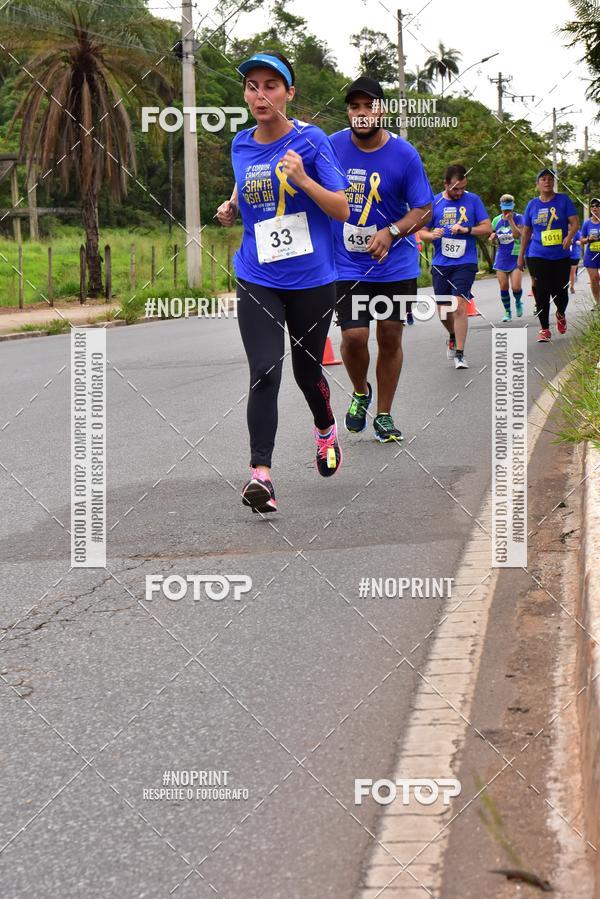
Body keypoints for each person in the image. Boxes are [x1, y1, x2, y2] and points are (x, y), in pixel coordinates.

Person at [216, 50, 350, 513]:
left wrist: (303, 181)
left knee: (306, 372)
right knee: (265, 369)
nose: (260, 94)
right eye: (252, 86)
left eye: (271, 85)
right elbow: (246, 178)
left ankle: (325, 427)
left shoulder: (311, 142)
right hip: (257, 275)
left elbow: (341, 207)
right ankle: (261, 476)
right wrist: (233, 203)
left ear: (289, 93)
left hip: (312, 279)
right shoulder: (240, 143)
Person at [329, 76, 433, 441]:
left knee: (389, 335)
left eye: (368, 106)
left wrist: (391, 231)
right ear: (348, 112)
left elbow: (424, 210)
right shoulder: (331, 147)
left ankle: (384, 414)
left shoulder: (404, 154)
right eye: (354, 107)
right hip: (346, 263)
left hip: (395, 264)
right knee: (355, 337)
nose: (361, 113)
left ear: (381, 110)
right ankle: (361, 391)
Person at [420, 164, 491, 369]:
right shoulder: (434, 202)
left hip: (465, 262)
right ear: (446, 184)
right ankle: (452, 334)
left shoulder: (473, 200)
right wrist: (431, 235)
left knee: (459, 304)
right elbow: (421, 232)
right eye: (455, 189)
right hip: (441, 263)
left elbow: (487, 227)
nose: (460, 192)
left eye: (462, 188)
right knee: (442, 310)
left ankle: (460, 353)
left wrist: (467, 229)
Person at [517, 168, 579, 342]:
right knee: (542, 290)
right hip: (537, 254)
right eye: (543, 179)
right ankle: (544, 328)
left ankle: (560, 312)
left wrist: (569, 236)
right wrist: (521, 256)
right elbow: (527, 232)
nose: (547, 181)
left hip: (560, 255)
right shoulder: (532, 205)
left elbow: (575, 223)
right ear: (537, 184)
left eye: (550, 179)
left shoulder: (563, 200)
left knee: (560, 291)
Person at [489, 194, 524, 322]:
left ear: (513, 206)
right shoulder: (496, 220)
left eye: (509, 208)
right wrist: (491, 238)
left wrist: (510, 221)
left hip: (515, 256)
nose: (506, 211)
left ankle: (518, 301)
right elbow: (492, 235)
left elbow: (517, 235)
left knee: (515, 287)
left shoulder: (519, 218)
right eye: (504, 208)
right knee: (503, 286)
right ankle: (507, 312)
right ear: (501, 207)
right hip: (501, 256)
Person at [580, 197, 600, 306]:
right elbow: (581, 240)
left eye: (597, 205)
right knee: (594, 278)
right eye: (592, 206)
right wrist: (589, 239)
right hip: (591, 255)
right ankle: (598, 302)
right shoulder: (587, 223)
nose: (594, 208)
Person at [569, 227, 582, 292]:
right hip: (564, 255)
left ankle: (572, 287)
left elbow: (582, 240)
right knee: (565, 272)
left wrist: (579, 242)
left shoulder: (576, 232)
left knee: (572, 272)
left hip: (574, 255)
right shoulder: (562, 230)